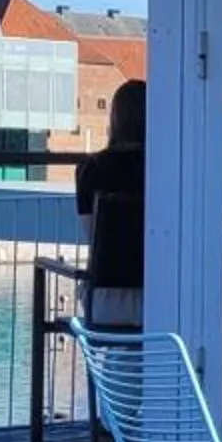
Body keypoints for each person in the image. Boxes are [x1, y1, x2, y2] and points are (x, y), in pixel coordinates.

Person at [75, 79, 146, 330]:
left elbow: (91, 234)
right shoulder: (165, 167)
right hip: (162, 295)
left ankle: (109, 370)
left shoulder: (90, 169)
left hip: (104, 301)